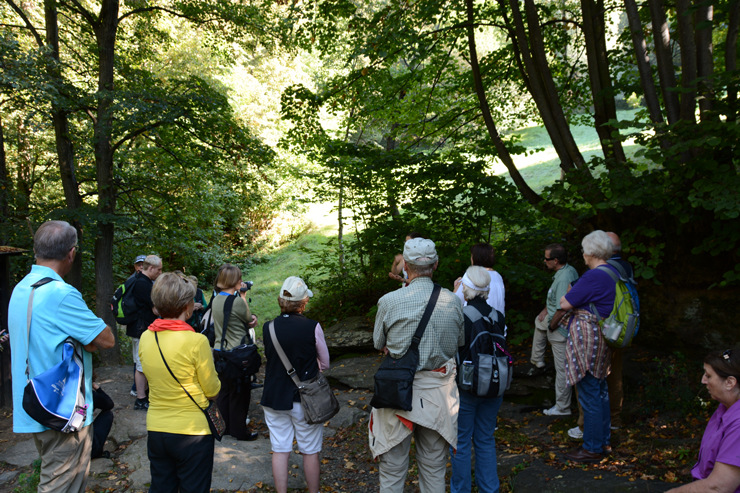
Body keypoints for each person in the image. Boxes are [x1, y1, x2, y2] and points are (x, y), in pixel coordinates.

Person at [8, 220, 115, 492]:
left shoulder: (21, 289)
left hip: (35, 402)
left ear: (37, 250)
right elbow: (106, 339)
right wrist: (85, 341)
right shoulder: (61, 294)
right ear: (71, 253)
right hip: (62, 410)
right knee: (59, 485)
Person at [370, 237, 465, 493]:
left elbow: (378, 341)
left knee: (392, 470)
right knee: (434, 470)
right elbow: (459, 342)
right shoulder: (453, 301)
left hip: (397, 392)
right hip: (439, 394)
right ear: (435, 265)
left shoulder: (389, 301)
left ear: (406, 267)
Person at [139, 272, 221, 493]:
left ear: (157, 306)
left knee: (161, 487)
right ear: (187, 306)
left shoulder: (147, 337)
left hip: (157, 428)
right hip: (192, 432)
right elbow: (212, 390)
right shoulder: (197, 341)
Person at [261, 276, 330, 493]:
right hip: (305, 398)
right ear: (304, 302)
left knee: (280, 449)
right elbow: (325, 363)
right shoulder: (312, 327)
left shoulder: (267, 327)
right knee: (310, 450)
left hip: (273, 397)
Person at [559, 230, 618, 462]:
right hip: (603, 336)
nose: (583, 254)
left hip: (588, 338)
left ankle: (592, 447)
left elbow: (565, 302)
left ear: (591, 252)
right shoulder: (613, 272)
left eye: (584, 249)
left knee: (590, 392)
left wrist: (573, 296)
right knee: (600, 390)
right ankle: (603, 442)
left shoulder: (593, 276)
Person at [450, 266, 506, 493]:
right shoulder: (498, 316)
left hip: (467, 386)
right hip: (495, 385)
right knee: (485, 439)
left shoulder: (462, 316)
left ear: (466, 288)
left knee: (461, 442)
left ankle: (461, 490)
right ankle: (489, 489)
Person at [666, 349, 740, 493]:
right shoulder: (724, 409)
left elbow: (718, 487)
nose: (703, 380)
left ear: (730, 382)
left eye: (708, 375)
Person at [212, 263, 259, 441]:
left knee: (224, 392)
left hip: (219, 350)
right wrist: (244, 297)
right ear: (234, 281)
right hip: (237, 354)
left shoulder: (216, 299)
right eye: (239, 278)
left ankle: (224, 428)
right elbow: (248, 318)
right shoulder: (237, 301)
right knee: (240, 393)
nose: (241, 280)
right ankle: (240, 431)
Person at [531, 243, 579, 415]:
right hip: (555, 321)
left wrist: (552, 325)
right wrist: (545, 310)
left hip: (560, 328)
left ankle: (562, 407)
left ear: (556, 260)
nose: (544, 261)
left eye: (546, 259)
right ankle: (537, 359)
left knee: (562, 370)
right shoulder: (565, 272)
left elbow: (563, 306)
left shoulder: (564, 277)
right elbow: (554, 300)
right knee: (539, 320)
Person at [128, 255, 163, 410]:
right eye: (159, 269)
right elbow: (155, 309)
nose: (160, 273)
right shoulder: (142, 284)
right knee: (141, 365)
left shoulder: (141, 280)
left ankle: (143, 394)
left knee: (142, 363)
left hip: (140, 329)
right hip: (140, 330)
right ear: (150, 268)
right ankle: (140, 398)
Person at [453, 243, 505, 314]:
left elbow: (454, 302)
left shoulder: (471, 275)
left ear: (475, 257)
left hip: (475, 322)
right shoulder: (498, 276)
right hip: (496, 322)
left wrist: (457, 287)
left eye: (471, 256)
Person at [92, 374, 115, 460]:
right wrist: (97, 388)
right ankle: (97, 449)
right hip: (89, 448)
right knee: (107, 414)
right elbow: (109, 404)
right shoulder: (91, 395)